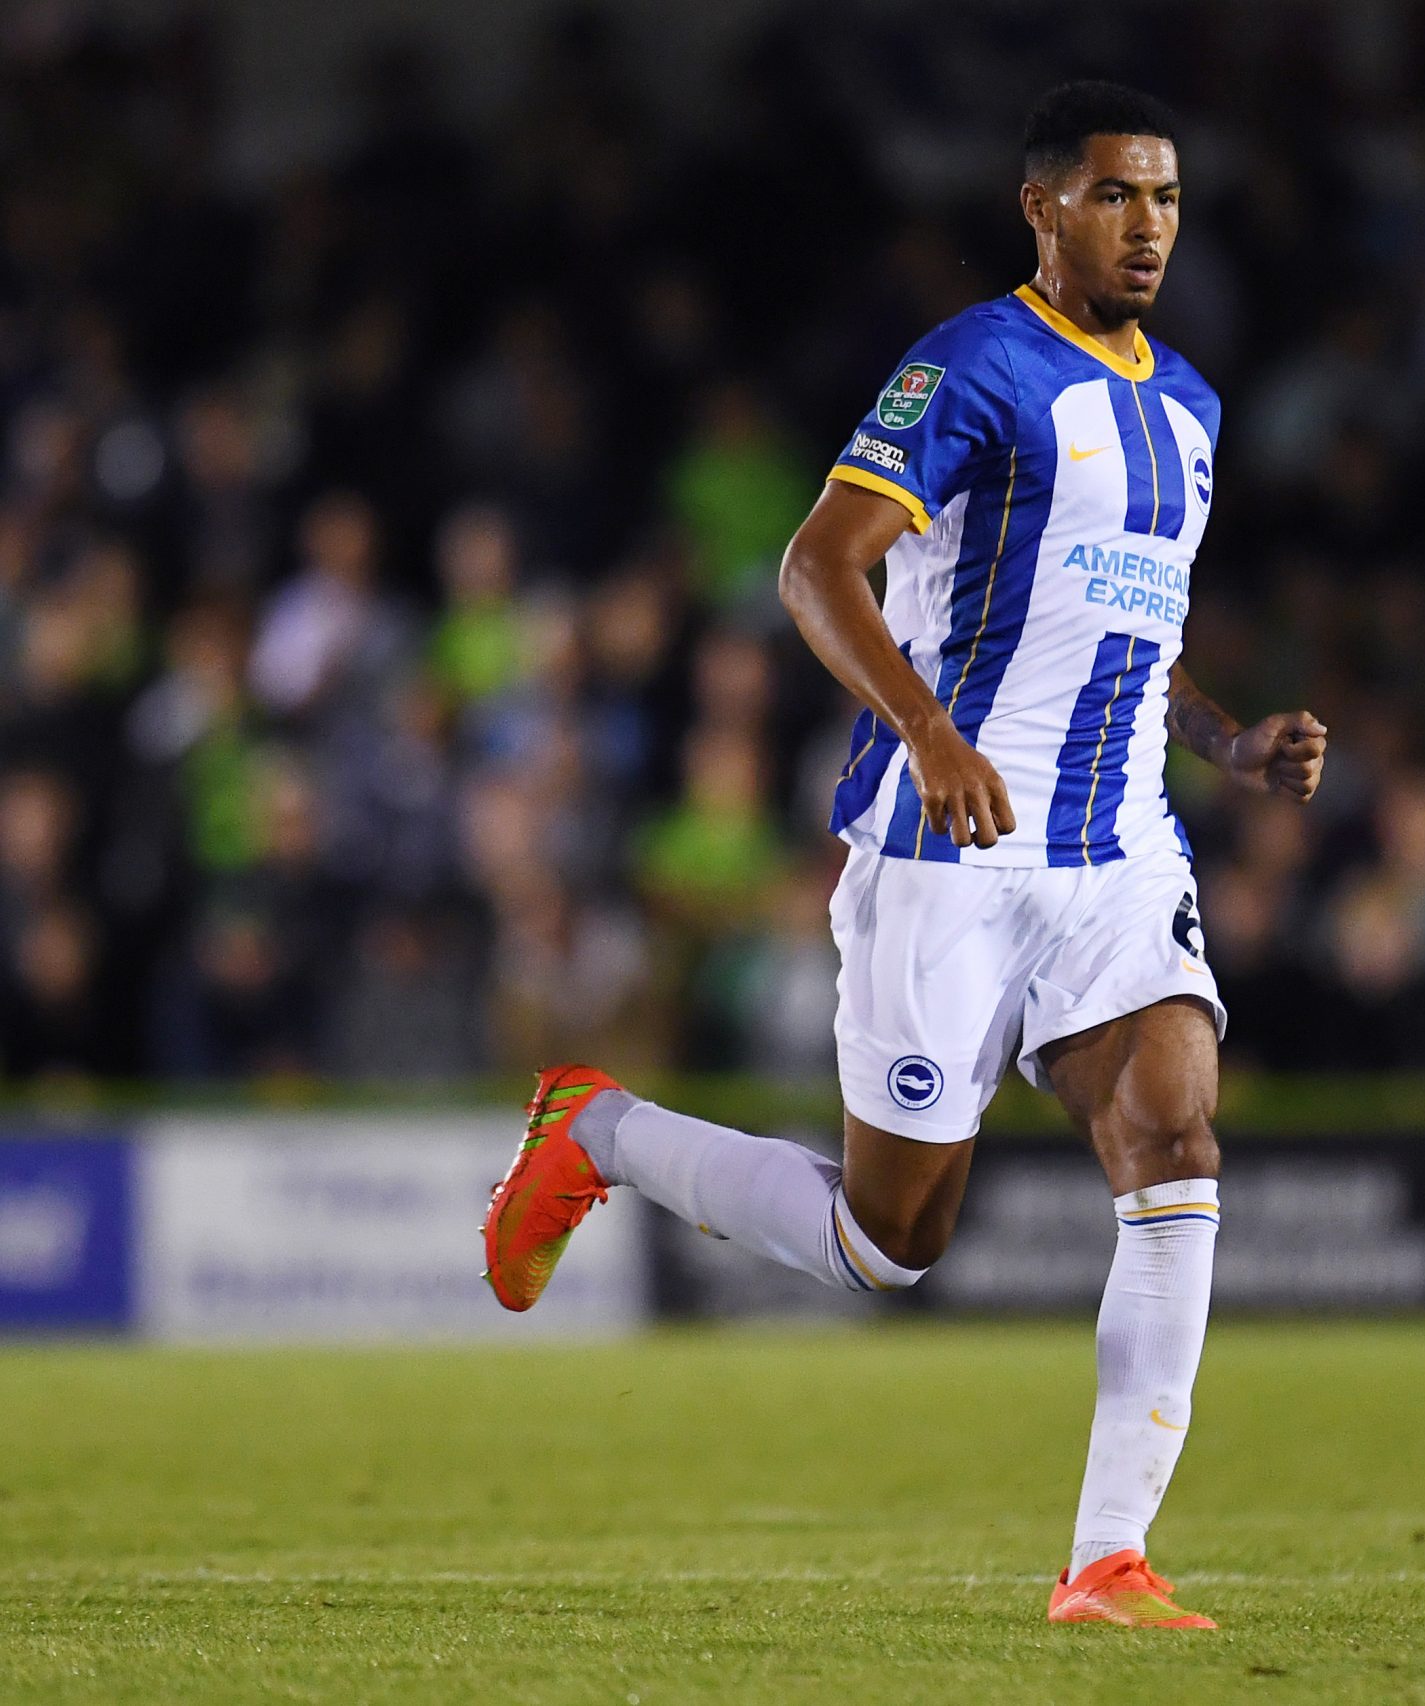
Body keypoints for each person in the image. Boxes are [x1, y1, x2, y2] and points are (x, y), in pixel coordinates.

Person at [477, 83, 1326, 1633]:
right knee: (891, 1246)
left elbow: (1133, 633)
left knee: (1178, 1148)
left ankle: (1107, 1559)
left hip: (1118, 849)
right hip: (949, 848)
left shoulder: (1192, 407)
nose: (1149, 226)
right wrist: (932, 731)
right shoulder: (973, 365)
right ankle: (597, 1130)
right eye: (1117, 196)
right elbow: (816, 566)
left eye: (1169, 200)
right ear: (1043, 206)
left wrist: (1229, 744)